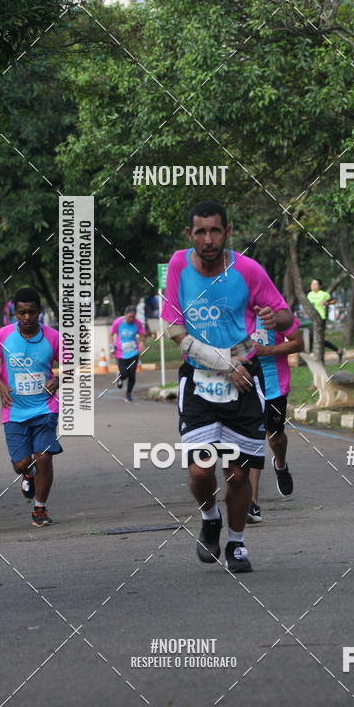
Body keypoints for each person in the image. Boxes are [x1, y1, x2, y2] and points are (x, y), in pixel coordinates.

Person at [161, 200, 293, 573]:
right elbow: (175, 331)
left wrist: (274, 317)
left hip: (245, 379)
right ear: (189, 234)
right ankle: (209, 517)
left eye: (215, 231)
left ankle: (236, 543)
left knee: (237, 473)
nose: (209, 239)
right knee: (201, 470)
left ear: (228, 232)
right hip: (200, 380)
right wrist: (224, 363)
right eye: (201, 232)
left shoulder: (248, 269)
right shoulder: (178, 266)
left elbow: (285, 316)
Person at [0, 287, 62, 527]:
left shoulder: (53, 337)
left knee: (44, 457)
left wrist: (58, 380)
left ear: (40, 311)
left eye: (32, 312)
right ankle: (27, 473)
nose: (27, 317)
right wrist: (0, 386)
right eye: (21, 313)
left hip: (45, 409)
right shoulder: (3, 335)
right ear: (15, 313)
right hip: (14, 411)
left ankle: (40, 509)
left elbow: (72, 364)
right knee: (21, 463)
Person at [246, 317, 304, 523]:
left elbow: (298, 343)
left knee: (276, 438)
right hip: (244, 385)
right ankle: (252, 503)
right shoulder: (232, 310)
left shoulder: (274, 312)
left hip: (274, 385)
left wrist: (266, 351)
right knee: (252, 442)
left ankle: (280, 465)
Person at [109, 306, 146, 402]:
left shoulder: (137, 323)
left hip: (133, 352)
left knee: (132, 374)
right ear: (125, 314)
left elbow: (142, 334)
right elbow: (110, 334)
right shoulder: (118, 322)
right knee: (124, 373)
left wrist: (142, 342)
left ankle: (128, 394)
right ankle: (120, 377)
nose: (131, 319)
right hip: (121, 353)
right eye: (130, 316)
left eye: (133, 317)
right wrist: (111, 349)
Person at [307, 279, 343, 360]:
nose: (313, 286)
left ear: (320, 286)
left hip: (320, 318)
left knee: (317, 337)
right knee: (313, 337)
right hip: (311, 319)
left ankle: (314, 355)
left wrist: (327, 303)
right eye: (312, 284)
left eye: (315, 284)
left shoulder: (324, 294)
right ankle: (338, 350)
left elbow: (334, 301)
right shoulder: (309, 295)